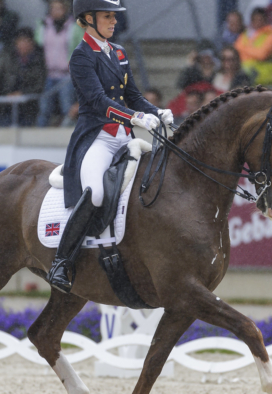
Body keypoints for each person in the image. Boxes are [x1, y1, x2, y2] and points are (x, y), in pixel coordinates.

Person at [46, 0, 169, 294]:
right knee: (96, 193)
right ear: (88, 19)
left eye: (114, 17)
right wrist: (136, 117)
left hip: (124, 135)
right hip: (97, 136)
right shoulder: (81, 56)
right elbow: (99, 101)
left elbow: (133, 95)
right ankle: (62, 262)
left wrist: (156, 111)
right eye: (107, 17)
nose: (113, 22)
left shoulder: (119, 53)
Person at [0, 27, 46, 127]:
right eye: (21, 41)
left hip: (28, 109)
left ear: (32, 43)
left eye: (27, 41)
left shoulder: (39, 59)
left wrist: (22, 93)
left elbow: (40, 85)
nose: (24, 45)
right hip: (4, 107)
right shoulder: (6, 55)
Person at [35, 0, 82, 128]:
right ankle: (40, 134)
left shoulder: (75, 27)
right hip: (49, 73)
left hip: (66, 75)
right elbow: (38, 47)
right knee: (44, 107)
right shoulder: (43, 25)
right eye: (53, 9)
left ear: (65, 9)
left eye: (59, 8)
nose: (56, 12)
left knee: (67, 107)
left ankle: (70, 134)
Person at [234, 7, 272, 86]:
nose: (257, 22)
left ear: (265, 20)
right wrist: (252, 51)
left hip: (263, 71)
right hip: (243, 68)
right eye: (254, 20)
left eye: (260, 19)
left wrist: (244, 49)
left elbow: (262, 55)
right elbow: (235, 50)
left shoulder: (271, 34)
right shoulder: (246, 33)